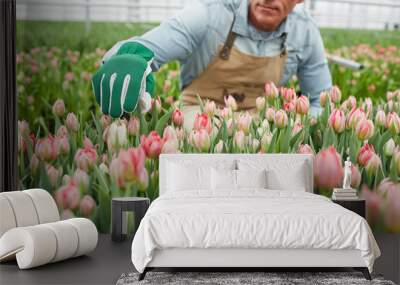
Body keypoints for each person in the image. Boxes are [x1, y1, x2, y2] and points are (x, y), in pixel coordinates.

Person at [92, 0, 332, 130]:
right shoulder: (208, 13)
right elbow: (148, 47)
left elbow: (320, 99)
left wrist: (303, 129)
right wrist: (130, 59)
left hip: (261, 122)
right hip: (198, 117)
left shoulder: (305, 31)